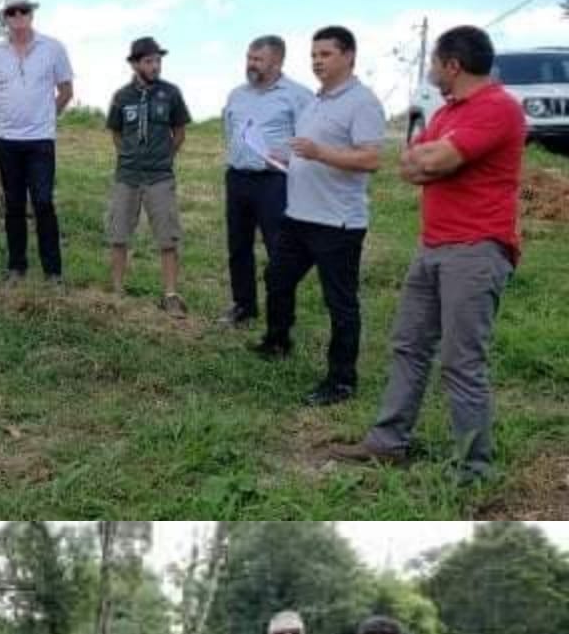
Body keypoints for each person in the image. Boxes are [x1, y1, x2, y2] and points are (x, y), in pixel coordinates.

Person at [328, 26, 525, 484]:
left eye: (435, 61)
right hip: (432, 246)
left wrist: (431, 158)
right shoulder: (447, 112)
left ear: (452, 65)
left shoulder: (497, 108)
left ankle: (474, 469)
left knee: (462, 360)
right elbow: (409, 166)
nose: (432, 69)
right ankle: (387, 442)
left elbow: (430, 163)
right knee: (409, 345)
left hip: (475, 250)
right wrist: (430, 157)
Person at [254, 25, 386, 407]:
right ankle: (277, 341)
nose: (317, 62)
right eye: (313, 55)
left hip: (337, 222)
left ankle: (342, 380)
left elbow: (371, 158)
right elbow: (307, 150)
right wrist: (286, 156)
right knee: (277, 277)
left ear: (349, 56)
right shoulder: (315, 101)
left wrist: (319, 153)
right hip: (299, 215)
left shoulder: (362, 102)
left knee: (340, 302)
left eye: (325, 55)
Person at [0, 0, 74, 283]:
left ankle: (53, 272)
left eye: (23, 11)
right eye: (12, 12)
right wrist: (7, 116)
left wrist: (46, 116)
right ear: (5, 18)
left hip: (41, 140)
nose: (18, 17)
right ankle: (17, 267)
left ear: (32, 14)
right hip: (6, 140)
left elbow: (66, 91)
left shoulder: (53, 48)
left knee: (44, 202)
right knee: (14, 204)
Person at [220, 35, 313, 326]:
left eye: (258, 60)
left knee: (279, 250)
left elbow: (309, 138)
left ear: (277, 62)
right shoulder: (237, 94)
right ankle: (243, 306)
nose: (250, 64)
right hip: (238, 178)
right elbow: (229, 130)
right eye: (249, 58)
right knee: (238, 246)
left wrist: (289, 158)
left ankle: (280, 317)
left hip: (274, 183)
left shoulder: (298, 95)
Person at [106, 36, 192, 314]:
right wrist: (129, 156)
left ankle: (170, 295)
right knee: (119, 233)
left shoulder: (171, 93)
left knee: (167, 236)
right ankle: (118, 290)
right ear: (134, 64)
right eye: (149, 61)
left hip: (159, 177)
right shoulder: (122, 96)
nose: (155, 66)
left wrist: (165, 158)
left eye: (158, 60)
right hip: (127, 176)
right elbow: (117, 132)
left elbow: (179, 133)